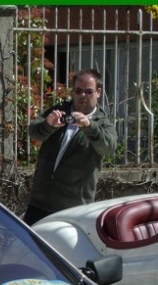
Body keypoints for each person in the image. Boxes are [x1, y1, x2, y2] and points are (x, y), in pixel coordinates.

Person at [23, 68, 117, 226]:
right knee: (30, 247)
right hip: (39, 202)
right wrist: (48, 125)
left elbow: (108, 147)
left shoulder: (102, 124)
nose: (82, 96)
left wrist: (89, 126)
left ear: (98, 92)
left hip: (73, 207)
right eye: (78, 91)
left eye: (88, 91)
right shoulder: (59, 111)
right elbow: (33, 132)